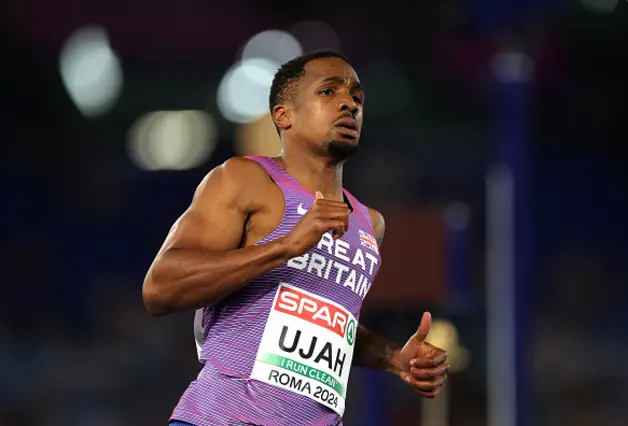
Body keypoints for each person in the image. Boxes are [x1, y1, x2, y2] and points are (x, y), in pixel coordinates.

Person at [142, 50, 449, 426]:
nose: (348, 104)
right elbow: (160, 288)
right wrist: (287, 245)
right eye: (328, 92)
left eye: (357, 97)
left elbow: (327, 325)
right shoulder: (245, 180)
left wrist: (391, 357)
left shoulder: (371, 225)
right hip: (223, 417)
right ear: (283, 115)